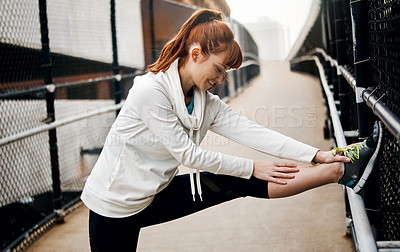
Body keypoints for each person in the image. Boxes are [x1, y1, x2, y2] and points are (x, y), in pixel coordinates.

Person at [81, 9, 381, 251]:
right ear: (196, 54)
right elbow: (188, 154)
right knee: (244, 173)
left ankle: (340, 171)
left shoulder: (204, 101)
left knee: (235, 182)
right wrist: (252, 166)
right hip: (114, 206)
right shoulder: (150, 90)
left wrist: (316, 154)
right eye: (219, 69)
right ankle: (339, 171)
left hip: (154, 193)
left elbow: (253, 132)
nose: (221, 79)